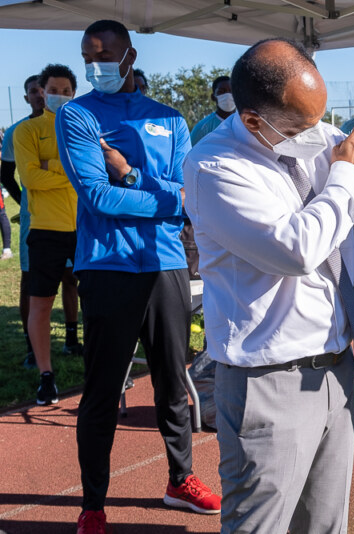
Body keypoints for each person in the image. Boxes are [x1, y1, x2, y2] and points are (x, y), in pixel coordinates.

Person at [183, 38, 354, 534]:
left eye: (320, 118)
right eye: (300, 127)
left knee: (326, 524)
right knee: (260, 526)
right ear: (252, 121)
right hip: (268, 381)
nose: (319, 134)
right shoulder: (215, 167)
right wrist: (344, 177)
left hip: (333, 368)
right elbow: (297, 249)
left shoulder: (309, 131)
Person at [55, 19, 221, 534]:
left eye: (104, 56)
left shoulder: (169, 118)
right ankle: (93, 505)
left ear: (129, 57)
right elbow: (97, 197)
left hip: (166, 263)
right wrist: (166, 198)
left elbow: (188, 195)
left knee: (172, 381)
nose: (95, 67)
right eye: (88, 58)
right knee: (103, 389)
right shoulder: (78, 115)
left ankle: (180, 480)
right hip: (107, 265)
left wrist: (129, 174)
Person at [2, 75, 82, 369]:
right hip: (38, 222)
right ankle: (32, 349)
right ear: (30, 97)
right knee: (32, 284)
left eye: (64, 91)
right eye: (35, 92)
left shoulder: (76, 125)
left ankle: (72, 339)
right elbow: (14, 175)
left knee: (73, 280)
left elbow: (87, 169)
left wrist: (51, 167)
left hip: (75, 221)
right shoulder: (19, 131)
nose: (40, 96)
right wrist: (25, 200)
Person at [189, 75, 235, 145]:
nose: (227, 95)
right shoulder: (202, 128)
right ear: (213, 97)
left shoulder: (245, 123)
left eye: (231, 91)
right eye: (221, 92)